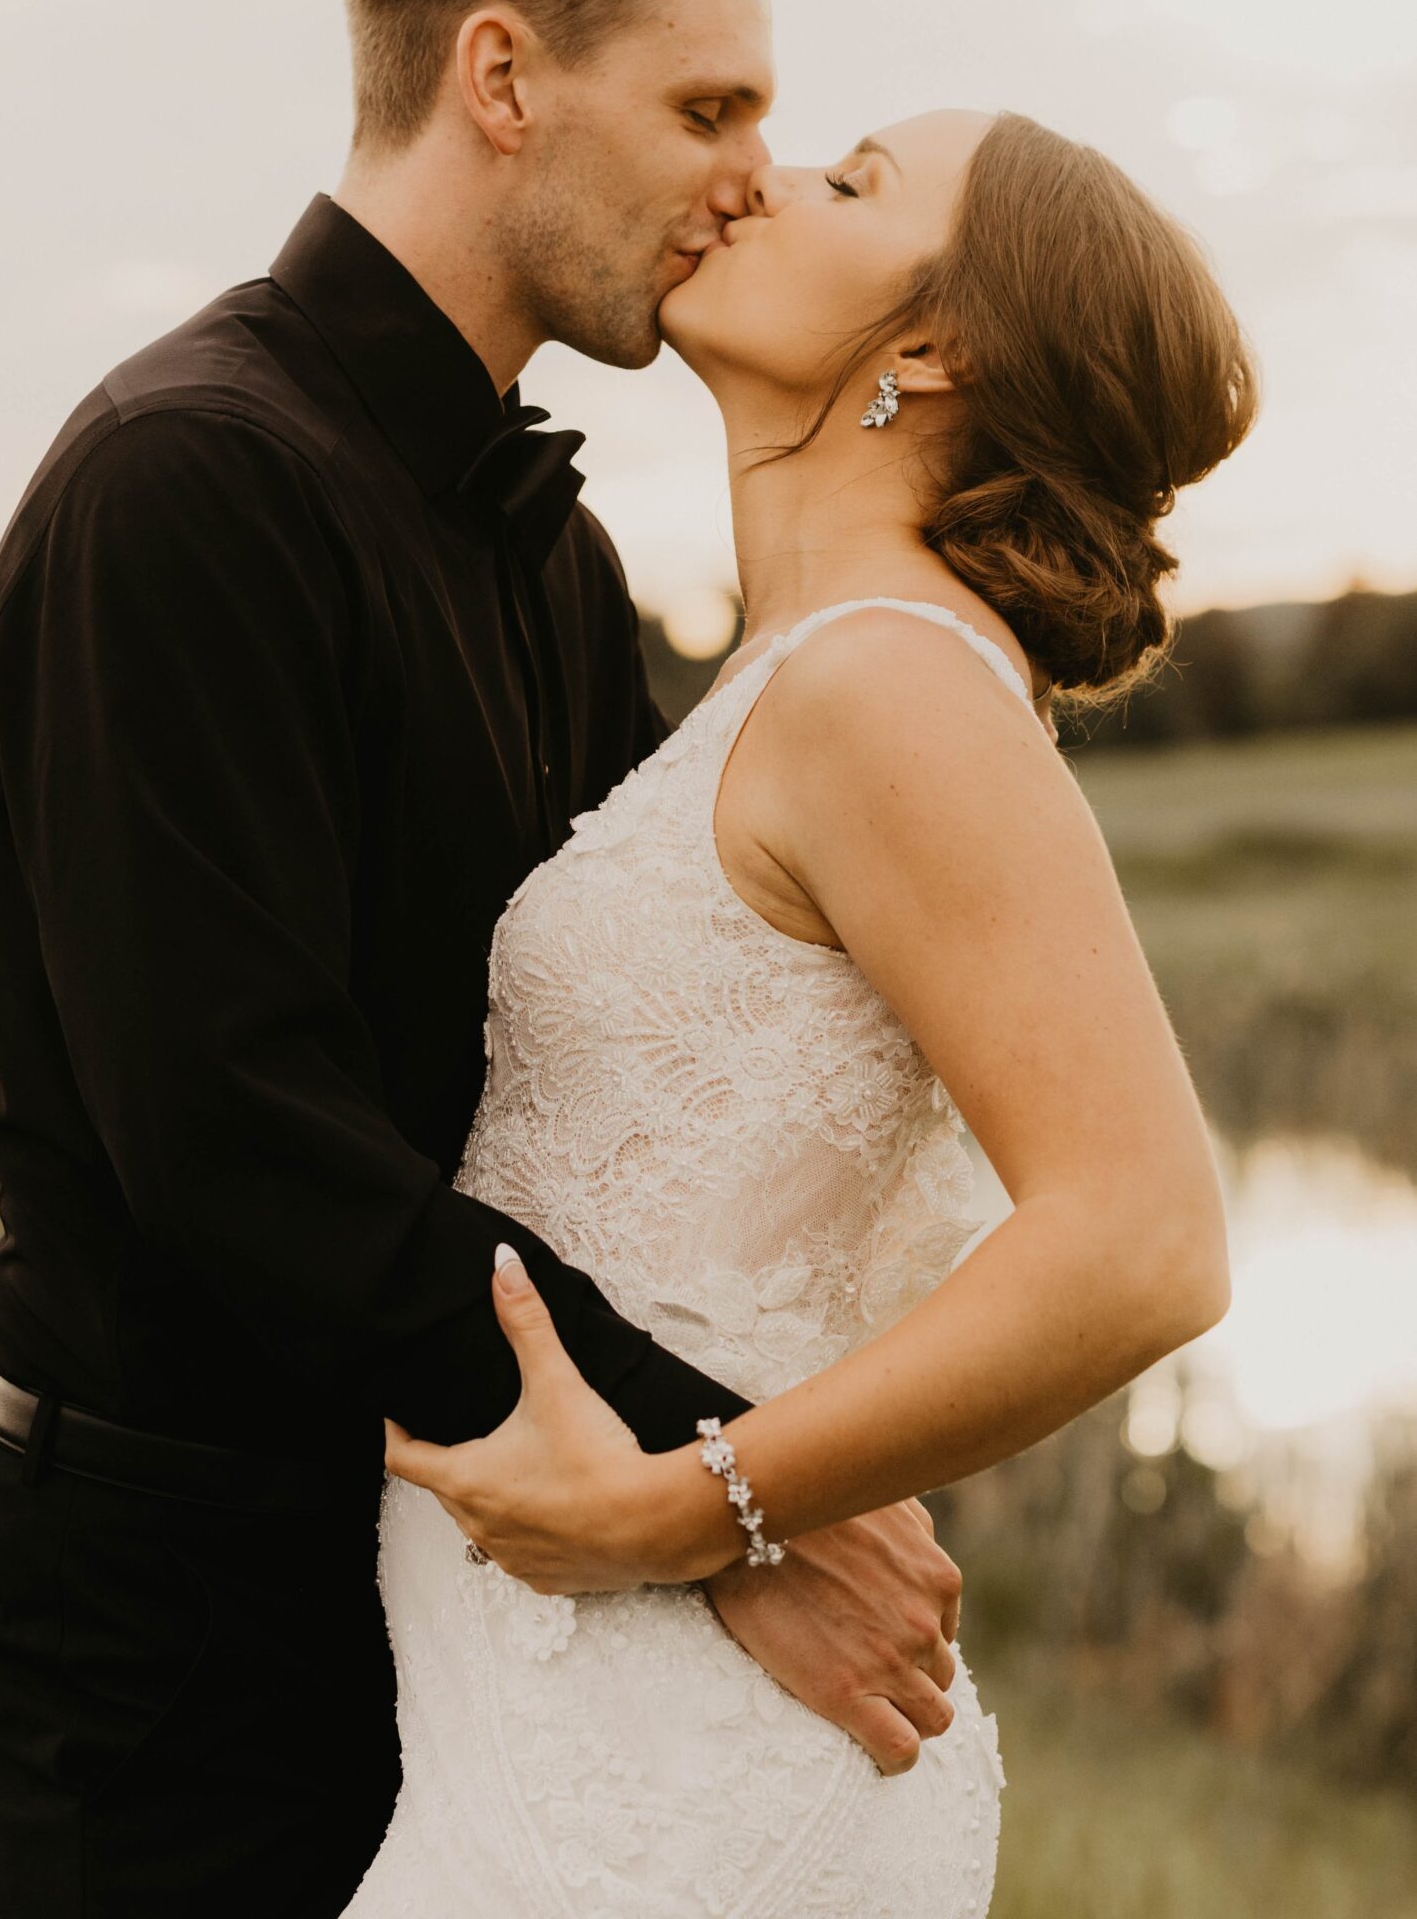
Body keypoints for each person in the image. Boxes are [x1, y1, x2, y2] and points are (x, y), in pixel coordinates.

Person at [0, 0, 969, 1919]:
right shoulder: (185, 483)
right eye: (701, 102)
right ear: (500, 78)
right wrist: (716, 1486)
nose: (743, 170)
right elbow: (235, 1134)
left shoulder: (548, 552)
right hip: (153, 1611)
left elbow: (614, 1058)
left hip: (439, 1569)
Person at [359, 105, 1255, 1914]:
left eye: (852, 183)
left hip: (671, 1768)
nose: (761, 176)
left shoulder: (888, 692)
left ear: (936, 347)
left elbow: (1146, 1237)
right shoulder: (787, 679)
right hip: (545, 1717)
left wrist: (695, 1510)